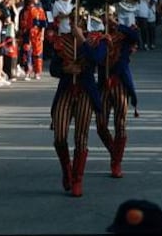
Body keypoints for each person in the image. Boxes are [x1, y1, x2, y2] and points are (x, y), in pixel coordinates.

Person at [49, 10, 108, 197]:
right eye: (73, 20)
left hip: (85, 91)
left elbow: (97, 59)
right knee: (59, 136)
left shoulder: (97, 39)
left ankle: (77, 179)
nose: (76, 23)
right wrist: (65, 68)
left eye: (80, 20)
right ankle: (67, 169)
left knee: (80, 137)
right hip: (66, 90)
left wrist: (81, 39)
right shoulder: (62, 40)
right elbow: (53, 68)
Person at [95, 5, 140, 178]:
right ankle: (115, 153)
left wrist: (117, 25)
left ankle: (116, 163)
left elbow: (136, 37)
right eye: (105, 17)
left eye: (111, 16)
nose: (108, 19)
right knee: (100, 126)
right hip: (103, 83)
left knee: (120, 124)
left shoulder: (124, 34)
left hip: (120, 82)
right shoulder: (97, 35)